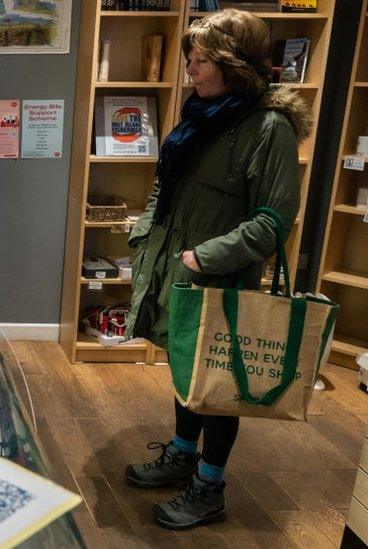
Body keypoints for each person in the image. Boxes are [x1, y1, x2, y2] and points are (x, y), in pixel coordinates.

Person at [122, 9, 311, 530]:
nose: (191, 69)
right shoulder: (203, 114)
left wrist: (202, 257)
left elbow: (273, 221)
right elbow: (168, 182)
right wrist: (144, 234)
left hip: (215, 276)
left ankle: (209, 486)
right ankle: (183, 453)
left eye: (201, 59)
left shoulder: (267, 128)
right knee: (186, 372)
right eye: (190, 58)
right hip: (175, 267)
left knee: (219, 384)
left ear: (234, 63)